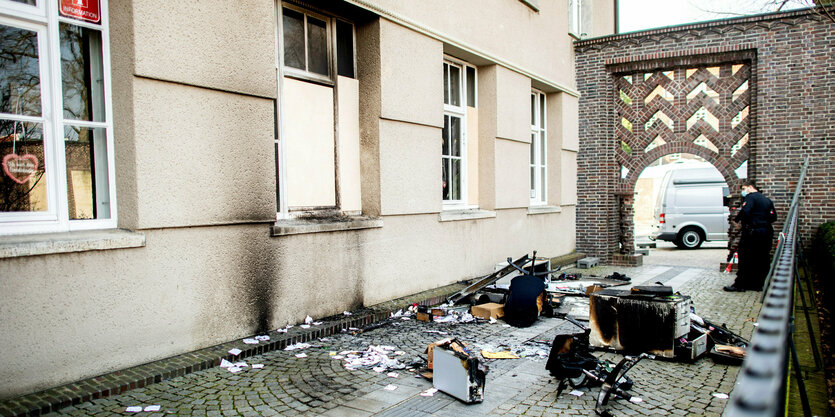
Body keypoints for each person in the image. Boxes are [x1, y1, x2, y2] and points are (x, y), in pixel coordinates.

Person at [724, 180, 777, 292]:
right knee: (762, 258)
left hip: (752, 233)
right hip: (766, 232)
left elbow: (746, 211)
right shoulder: (767, 200)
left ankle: (740, 285)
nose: (743, 192)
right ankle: (757, 284)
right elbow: (773, 217)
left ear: (750, 187)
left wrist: (738, 220)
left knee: (745, 258)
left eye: (744, 189)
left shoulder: (751, 197)